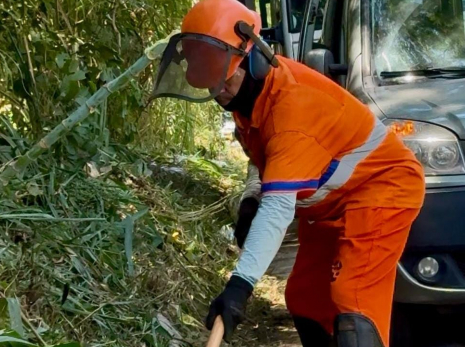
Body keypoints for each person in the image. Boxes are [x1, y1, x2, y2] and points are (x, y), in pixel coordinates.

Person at [148, 0, 425, 346]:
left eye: (223, 78)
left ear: (254, 58)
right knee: (306, 298)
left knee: (352, 297)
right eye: (208, 82)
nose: (217, 92)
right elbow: (261, 155)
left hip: (382, 187)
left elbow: (279, 209)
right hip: (330, 202)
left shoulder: (292, 109)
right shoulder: (245, 98)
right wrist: (252, 198)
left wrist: (239, 287)